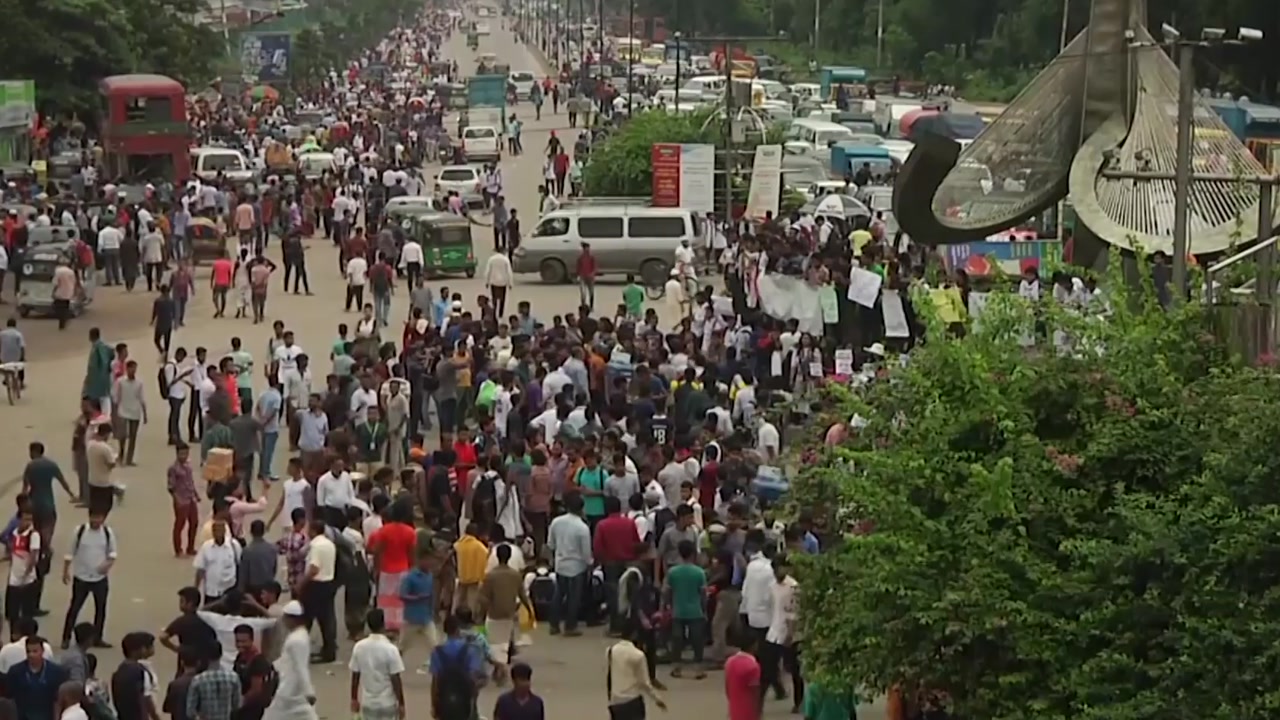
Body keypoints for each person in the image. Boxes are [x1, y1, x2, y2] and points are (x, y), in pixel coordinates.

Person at [261, 601, 317, 720]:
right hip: (293, 689)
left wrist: (309, 691)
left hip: (289, 689)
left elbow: (301, 667)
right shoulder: (300, 635)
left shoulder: (297, 640)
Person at [348, 609, 406, 720]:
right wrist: (401, 703)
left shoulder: (359, 647)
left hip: (368, 703)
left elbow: (355, 676)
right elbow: (396, 679)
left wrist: (354, 698)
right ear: (383, 624)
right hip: (387, 703)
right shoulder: (391, 649)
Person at [606, 624, 666, 720]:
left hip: (616, 702)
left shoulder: (611, 651)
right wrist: (657, 699)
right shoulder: (638, 655)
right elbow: (644, 682)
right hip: (632, 701)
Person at [429, 615, 483, 720]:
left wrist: (434, 704)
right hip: (464, 700)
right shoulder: (469, 649)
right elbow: (473, 678)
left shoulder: (437, 652)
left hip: (445, 700)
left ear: (444, 630)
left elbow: (435, 680)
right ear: (458, 630)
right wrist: (473, 701)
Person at [113, 632, 160, 720]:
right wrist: (156, 717)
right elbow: (146, 699)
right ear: (142, 649)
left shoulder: (120, 670)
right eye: (151, 646)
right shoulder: (141, 671)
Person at [724, 630, 763, 720]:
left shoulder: (730, 661)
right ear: (754, 645)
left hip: (734, 705)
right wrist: (758, 710)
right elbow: (755, 690)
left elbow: (727, 686)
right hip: (748, 706)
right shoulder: (753, 666)